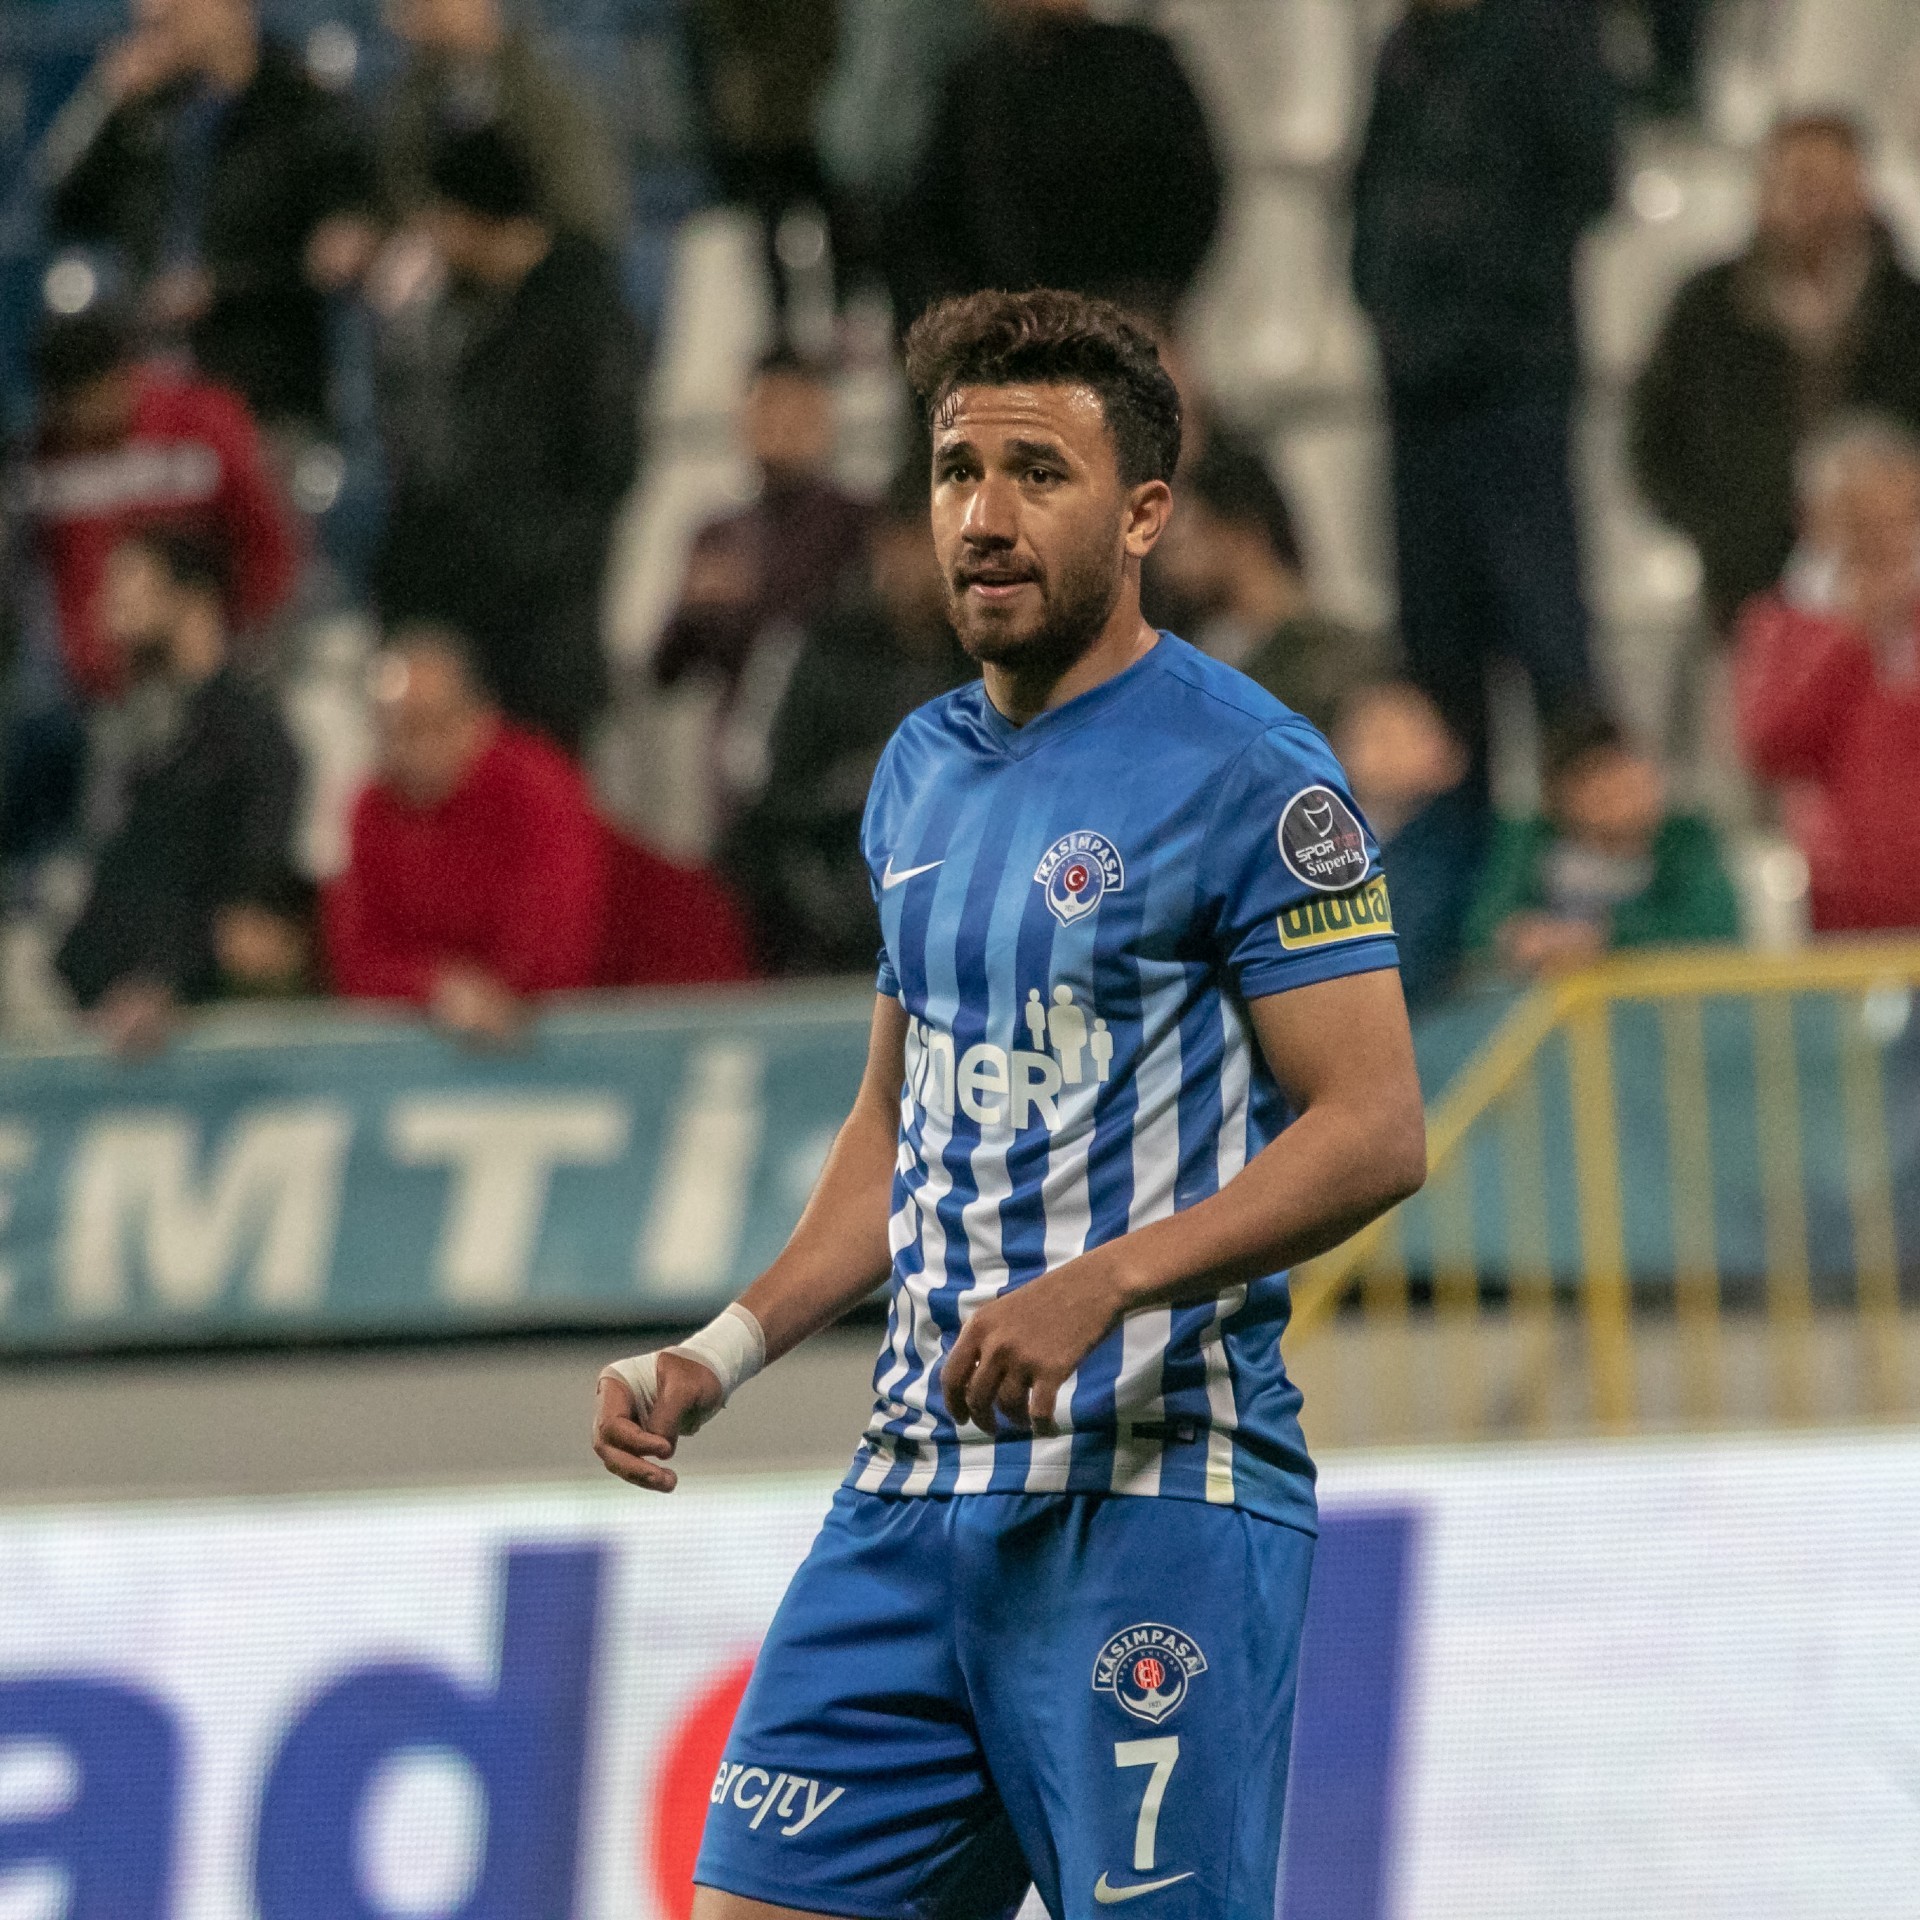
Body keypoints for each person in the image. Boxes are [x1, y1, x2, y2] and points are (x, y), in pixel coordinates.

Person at [592, 290, 1426, 1920]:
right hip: (911, 1498)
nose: (983, 514)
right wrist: (725, 1349)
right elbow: (895, 1129)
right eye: (955, 469)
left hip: (1153, 1502)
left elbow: (1374, 1125)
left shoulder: (1252, 773)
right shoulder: (916, 771)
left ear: (1144, 514)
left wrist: (1104, 1283)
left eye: (1038, 473)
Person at [1351, 0, 1616, 782]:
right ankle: (1453, 848)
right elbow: (1369, 194)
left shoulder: (1546, 33)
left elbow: (1592, 176)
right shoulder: (1405, 48)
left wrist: (1497, 286)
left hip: (1514, 381)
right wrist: (1387, 303)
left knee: (1549, 637)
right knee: (1437, 654)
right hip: (1418, 392)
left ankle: (1585, 831)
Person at [372, 126, 642, 758]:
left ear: (470, 216)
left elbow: (606, 468)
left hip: (544, 632)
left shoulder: (582, 313)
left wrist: (533, 557)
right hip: (470, 616)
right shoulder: (461, 312)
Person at [1631, 114, 1920, 639]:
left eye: (1831, 185)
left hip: (1897, 602)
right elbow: (1655, 436)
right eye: (1799, 184)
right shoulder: (1707, 309)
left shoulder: (1906, 310)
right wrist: (1718, 530)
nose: (1816, 206)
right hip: (1745, 590)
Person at [47, 0, 377, 433]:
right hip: (156, 387)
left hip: (263, 389)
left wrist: (220, 287)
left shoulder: (299, 105)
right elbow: (63, 209)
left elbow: (334, 256)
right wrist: (107, 101)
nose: (153, 14)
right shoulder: (150, 114)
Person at [56, 528, 305, 1052]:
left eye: (133, 589)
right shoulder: (126, 728)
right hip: (106, 1012)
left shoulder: (254, 738)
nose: (110, 608)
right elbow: (115, 882)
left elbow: (251, 914)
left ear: (194, 601)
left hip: (203, 1029)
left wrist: (166, 983)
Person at [718, 467, 974, 975]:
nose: (917, 565)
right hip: (831, 923)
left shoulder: (994, 663)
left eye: (931, 545)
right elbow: (763, 802)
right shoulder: (818, 650)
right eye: (902, 545)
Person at [323, 626, 607, 1042]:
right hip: (427, 1044)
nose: (416, 749)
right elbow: (356, 960)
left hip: (590, 1027)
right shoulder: (369, 808)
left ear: (480, 718)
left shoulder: (537, 786)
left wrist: (493, 994)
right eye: (397, 730)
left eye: (434, 725)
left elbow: (559, 945)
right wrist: (436, 990)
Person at [20, 309, 300, 708]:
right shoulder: (49, 457)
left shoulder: (201, 420)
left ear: (121, 375)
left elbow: (265, 538)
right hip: (110, 691)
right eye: (70, 407)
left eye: (94, 398)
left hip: (220, 664)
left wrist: (241, 638)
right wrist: (95, 670)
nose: (85, 417)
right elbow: (59, 582)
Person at [894, 0, 1222, 329]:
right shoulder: (975, 83)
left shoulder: (1137, 62)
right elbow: (933, 221)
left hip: (1122, 316)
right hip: (1016, 329)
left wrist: (1152, 300)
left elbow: (1191, 188)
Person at [1734, 415, 1920, 932]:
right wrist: (1850, 639)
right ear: (1814, 521)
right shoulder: (1784, 622)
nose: (1887, 543)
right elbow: (1768, 748)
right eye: (1862, 524)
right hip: (1844, 900)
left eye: (1902, 519)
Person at [1466, 714, 1740, 978]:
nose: (1621, 791)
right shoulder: (1531, 840)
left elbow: (1715, 925)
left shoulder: (1686, 837)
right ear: (1562, 795)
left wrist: (1604, 937)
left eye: (1628, 772)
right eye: (1598, 780)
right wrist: (1518, 938)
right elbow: (1483, 930)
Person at [1150, 438, 1387, 736]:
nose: (1165, 563)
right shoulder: (1206, 651)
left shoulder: (1340, 658)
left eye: (1182, 539)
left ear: (1242, 533)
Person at [377, 0, 630, 252]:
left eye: (417, 4)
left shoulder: (548, 94)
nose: (395, 23)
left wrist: (486, 245)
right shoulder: (414, 97)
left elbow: (586, 226)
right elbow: (402, 197)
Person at [1333, 681, 1485, 1010]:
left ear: (1450, 755)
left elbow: (1414, 956)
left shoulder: (1454, 848)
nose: (1384, 753)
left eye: (1399, 736)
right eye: (1369, 736)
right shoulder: (1318, 839)